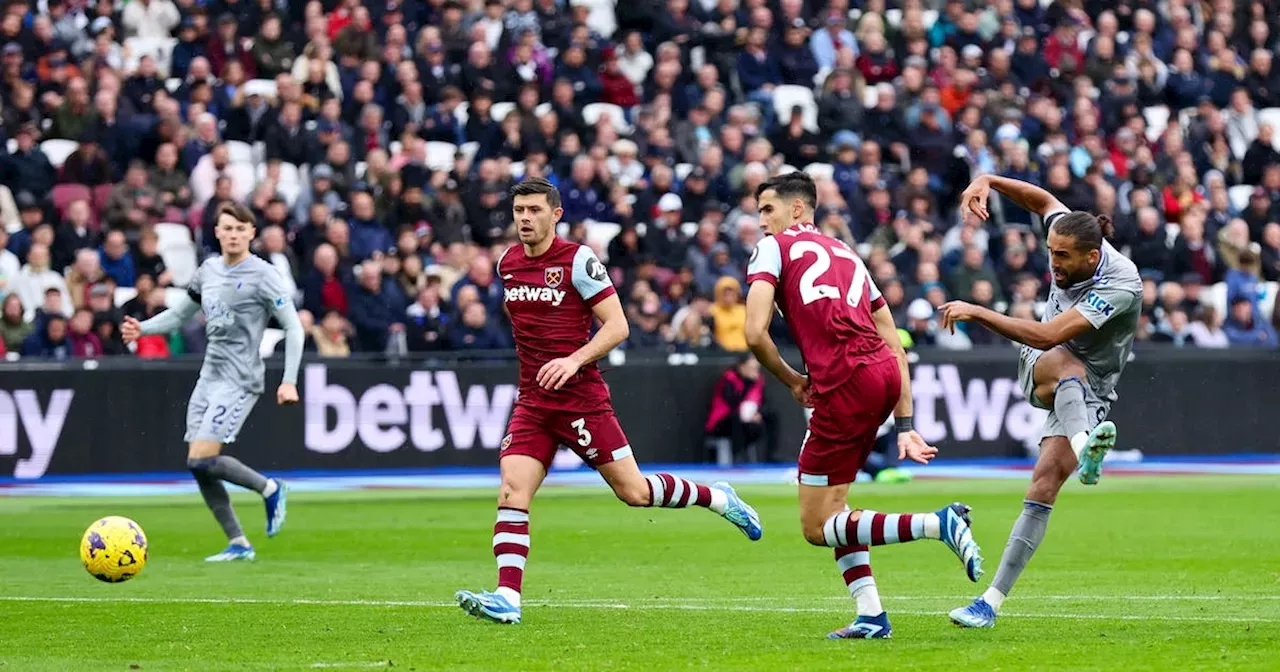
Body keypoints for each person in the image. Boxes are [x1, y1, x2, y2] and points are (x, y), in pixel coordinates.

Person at [455, 178, 762, 625]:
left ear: (555, 214)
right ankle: (508, 597)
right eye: (519, 210)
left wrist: (573, 359)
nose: (524, 218)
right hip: (534, 403)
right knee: (511, 489)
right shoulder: (508, 263)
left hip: (580, 399)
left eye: (534, 210)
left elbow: (618, 326)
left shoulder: (578, 260)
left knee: (634, 493)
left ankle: (718, 498)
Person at [742, 172, 983, 640]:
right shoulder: (847, 253)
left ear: (797, 210)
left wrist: (792, 380)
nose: (761, 222)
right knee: (838, 507)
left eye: (767, 210)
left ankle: (939, 524)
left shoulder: (774, 248)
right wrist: (905, 422)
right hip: (880, 374)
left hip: (844, 381)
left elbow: (753, 332)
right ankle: (871, 615)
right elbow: (892, 340)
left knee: (817, 526)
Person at [940, 174, 1141, 628]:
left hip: (1090, 388)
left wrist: (977, 311)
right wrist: (987, 179)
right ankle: (1085, 445)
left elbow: (1050, 330)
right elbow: (1043, 199)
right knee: (1066, 364)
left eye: (1062, 256)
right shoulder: (1070, 232)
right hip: (1044, 366)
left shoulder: (1120, 284)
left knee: (1042, 488)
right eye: (1050, 251)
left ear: (1093, 256)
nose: (1053, 262)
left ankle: (988, 603)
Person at [121, 202, 303, 562]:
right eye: (227, 228)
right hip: (209, 376)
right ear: (217, 233)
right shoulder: (208, 271)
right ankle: (238, 542)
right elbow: (179, 315)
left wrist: (289, 380)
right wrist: (143, 329)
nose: (233, 234)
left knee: (204, 456)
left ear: (251, 233)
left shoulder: (264, 275)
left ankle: (270, 488)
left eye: (240, 229)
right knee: (196, 463)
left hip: (240, 379)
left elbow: (294, 327)